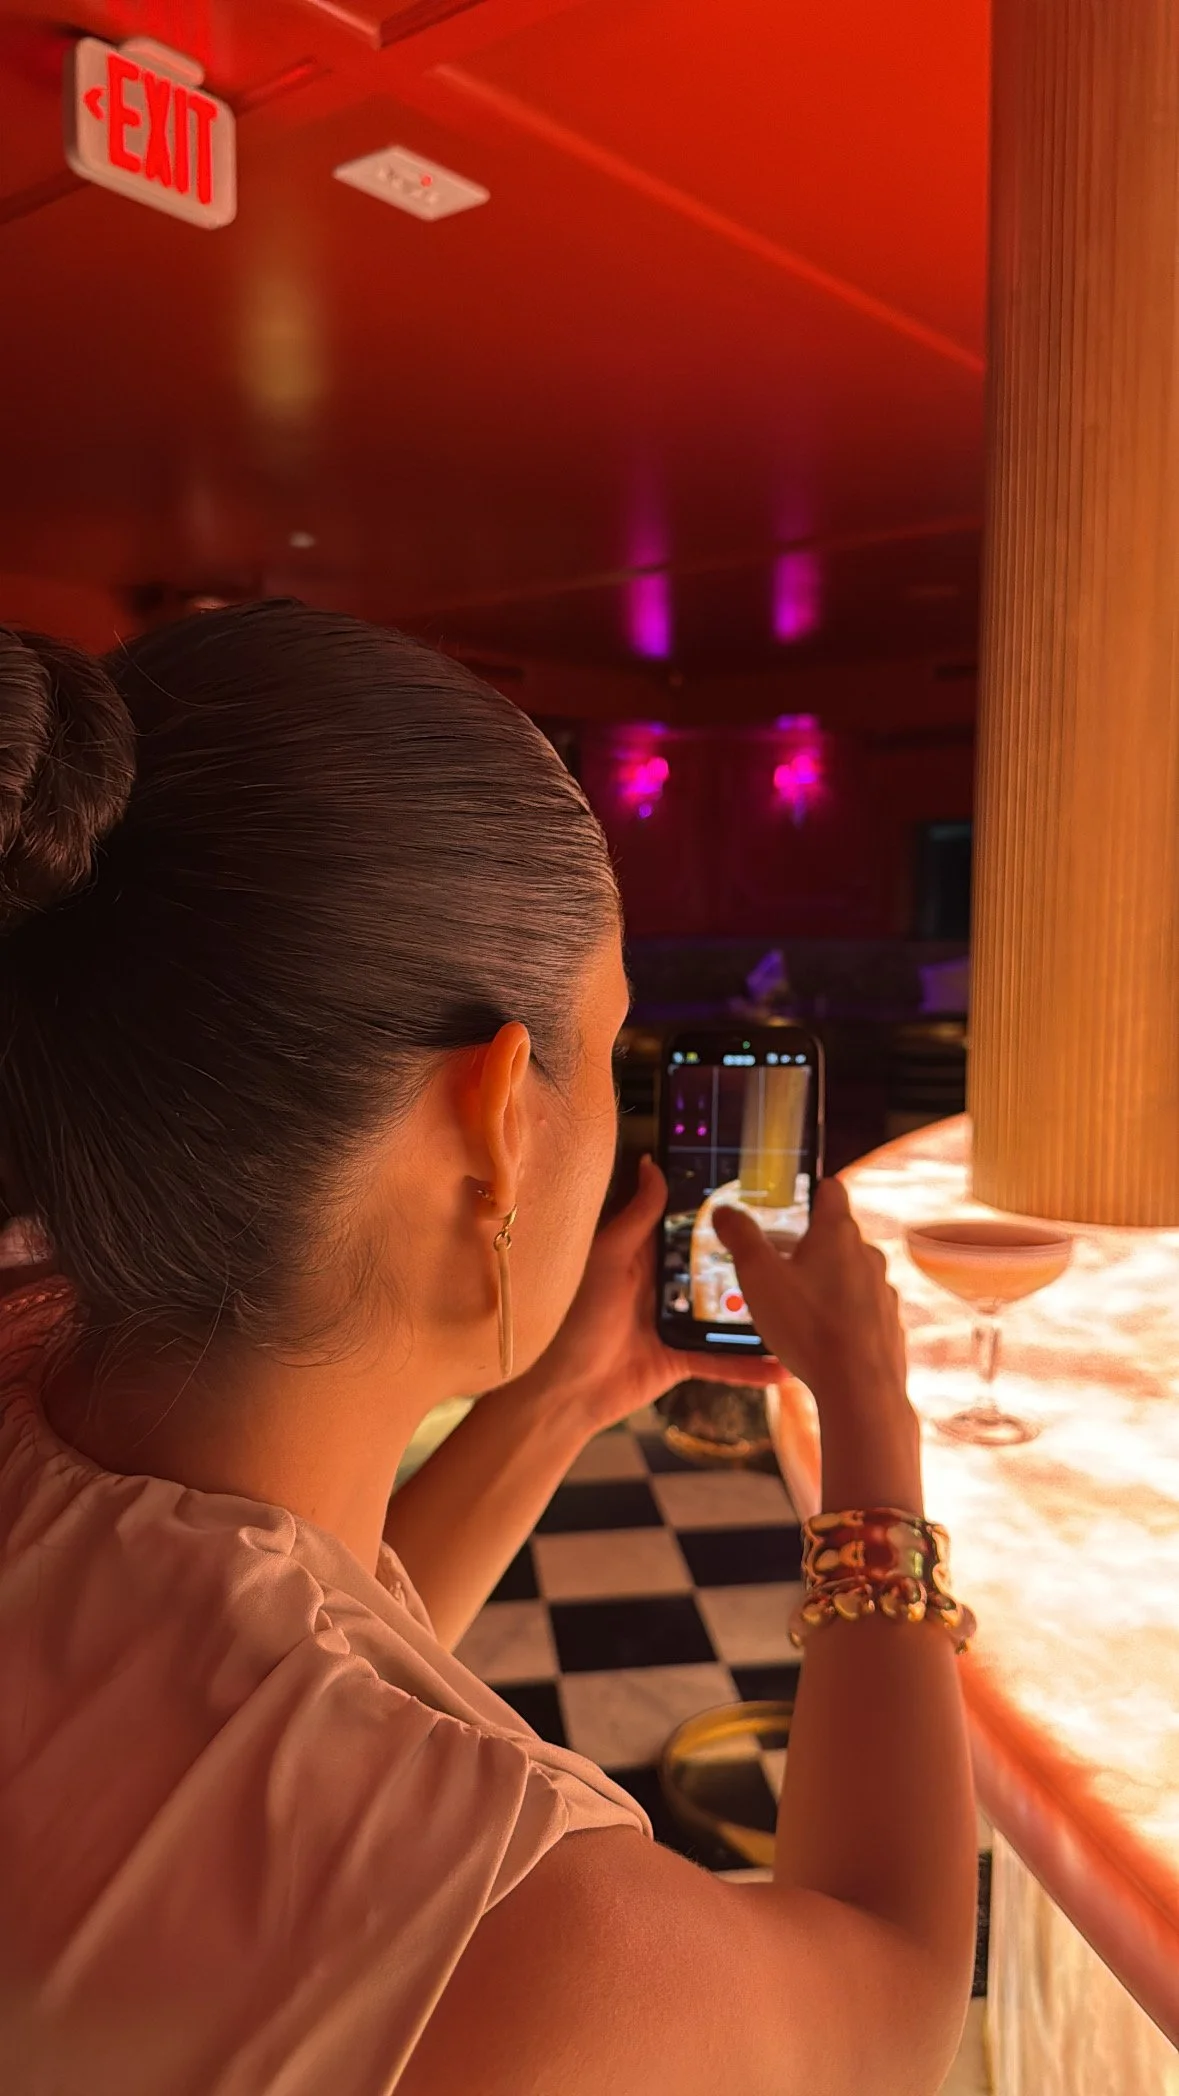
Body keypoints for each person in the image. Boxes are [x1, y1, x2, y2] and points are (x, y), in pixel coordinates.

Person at [0, 604, 977, 2095]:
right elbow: (896, 2003)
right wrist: (869, 1421)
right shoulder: (537, 1944)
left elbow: (251, 1688)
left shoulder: (28, 1392)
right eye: (604, 1043)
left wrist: (565, 1394)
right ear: (493, 1125)